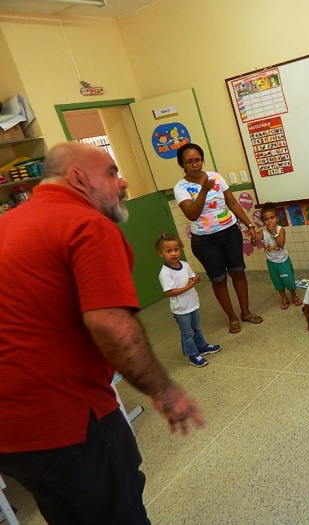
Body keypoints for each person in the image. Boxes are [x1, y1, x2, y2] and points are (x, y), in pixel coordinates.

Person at [0, 143, 204, 524]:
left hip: (10, 438)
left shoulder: (7, 225)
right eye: (111, 172)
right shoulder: (86, 224)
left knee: (65, 513)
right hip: (68, 420)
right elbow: (110, 323)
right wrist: (163, 390)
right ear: (77, 178)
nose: (123, 181)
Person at [174, 143, 263, 334]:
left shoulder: (216, 177)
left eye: (198, 160)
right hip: (205, 241)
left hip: (230, 233)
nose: (195, 164)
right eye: (189, 162)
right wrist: (204, 191)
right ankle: (232, 318)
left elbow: (232, 203)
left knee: (238, 273)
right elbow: (192, 214)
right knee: (219, 279)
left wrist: (250, 226)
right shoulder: (180, 188)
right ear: (182, 164)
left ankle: (246, 312)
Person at [156, 233, 221, 368]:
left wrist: (195, 279)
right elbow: (169, 292)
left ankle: (202, 346)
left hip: (192, 304)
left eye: (176, 249)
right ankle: (192, 354)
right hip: (181, 310)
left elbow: (192, 278)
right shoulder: (165, 273)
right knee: (188, 333)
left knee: (196, 328)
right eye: (169, 251)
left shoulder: (184, 265)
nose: (174, 253)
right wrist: (188, 287)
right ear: (161, 253)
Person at [260, 202, 301, 309]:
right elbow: (255, 242)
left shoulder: (280, 230)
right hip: (271, 263)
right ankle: (284, 298)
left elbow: (281, 243)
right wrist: (253, 237)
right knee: (277, 282)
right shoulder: (263, 232)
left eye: (272, 218)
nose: (269, 221)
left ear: (277, 218)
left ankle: (294, 296)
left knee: (289, 280)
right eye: (266, 219)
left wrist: (274, 233)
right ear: (263, 221)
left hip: (283, 262)